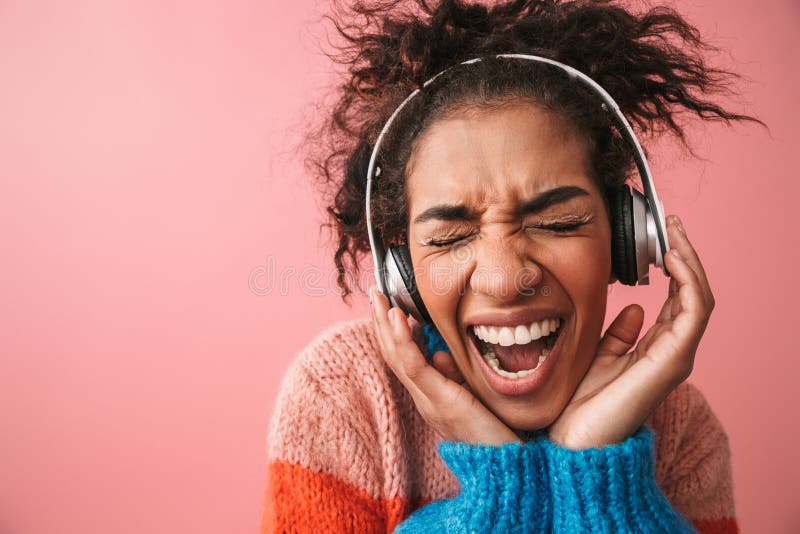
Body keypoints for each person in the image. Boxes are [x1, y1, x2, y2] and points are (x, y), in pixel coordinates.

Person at [260, 1, 762, 532]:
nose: (504, 279)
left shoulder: (679, 426)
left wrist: (599, 470)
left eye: (559, 222)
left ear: (627, 239)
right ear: (400, 273)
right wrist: (500, 494)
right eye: (450, 236)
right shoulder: (343, 396)